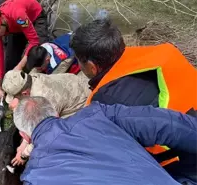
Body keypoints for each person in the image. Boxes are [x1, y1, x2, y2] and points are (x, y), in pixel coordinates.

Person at [70, 18, 197, 184]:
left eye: (79, 61)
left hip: (180, 167)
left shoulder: (103, 103)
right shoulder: (164, 52)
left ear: (92, 66)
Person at [14, 96, 197, 185]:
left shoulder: (33, 178)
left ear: (25, 136)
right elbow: (165, 123)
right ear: (55, 113)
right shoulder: (99, 114)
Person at [1, 70, 90, 166]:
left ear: (25, 93)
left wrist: (24, 154)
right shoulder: (31, 78)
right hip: (74, 84)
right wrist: (24, 143)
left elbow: (46, 133)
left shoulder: (46, 99)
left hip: (81, 102)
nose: (15, 100)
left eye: (16, 97)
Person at [0, 0, 50, 98]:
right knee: (10, 62)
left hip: (34, 18)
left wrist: (19, 66)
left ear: (1, 19)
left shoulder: (18, 14)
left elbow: (34, 41)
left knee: (35, 55)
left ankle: (38, 90)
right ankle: (14, 93)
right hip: (15, 27)